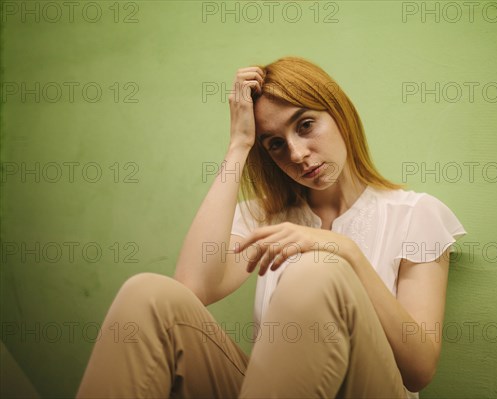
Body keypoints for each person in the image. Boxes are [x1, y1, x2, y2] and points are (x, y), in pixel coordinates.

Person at [76, 56, 467, 399]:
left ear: (340, 114)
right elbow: (192, 288)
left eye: (306, 125)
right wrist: (240, 144)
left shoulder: (416, 213)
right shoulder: (265, 217)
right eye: (275, 145)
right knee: (147, 293)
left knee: (317, 269)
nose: (297, 154)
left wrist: (342, 250)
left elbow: (419, 370)